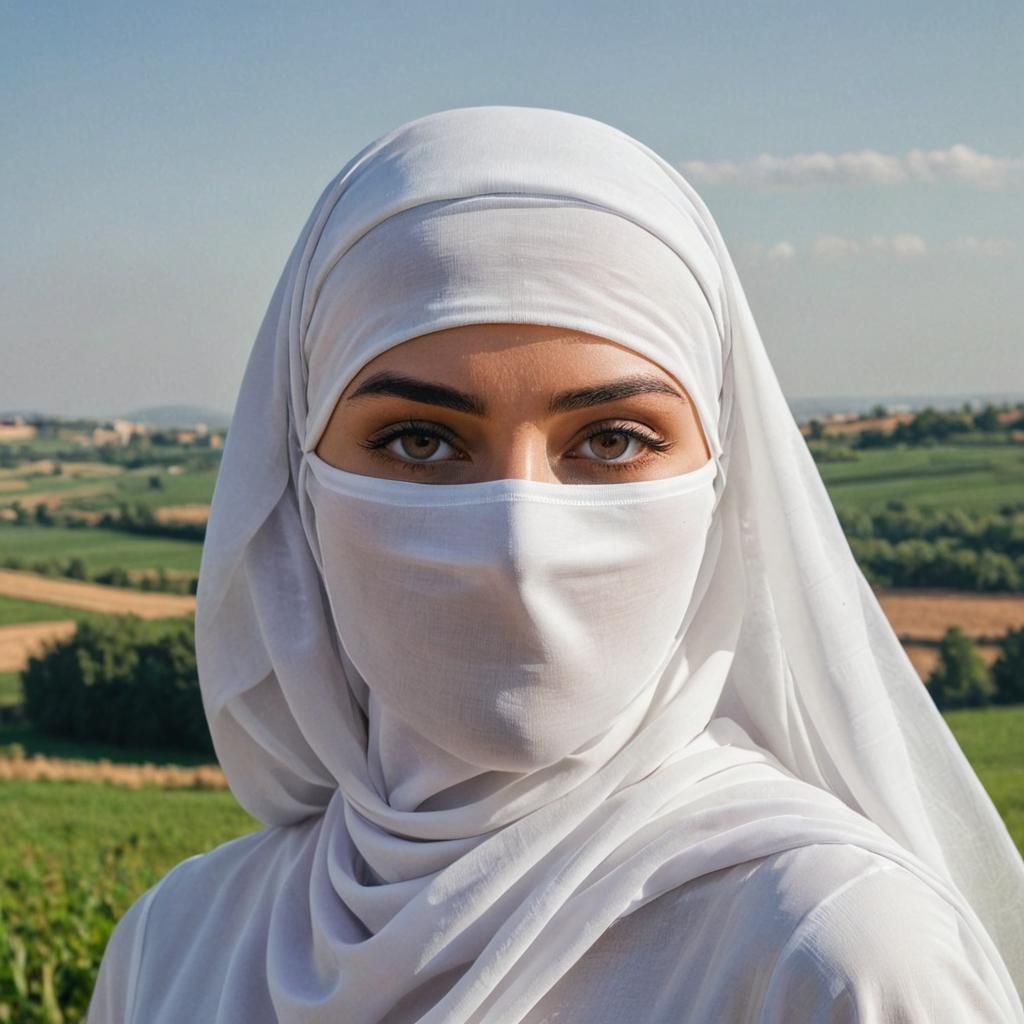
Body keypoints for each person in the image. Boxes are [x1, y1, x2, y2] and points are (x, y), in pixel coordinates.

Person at [86, 105, 1024, 1023]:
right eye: (418, 442)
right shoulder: (175, 943)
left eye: (613, 440)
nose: (518, 542)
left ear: (721, 482)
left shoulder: (835, 958)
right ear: (302, 485)